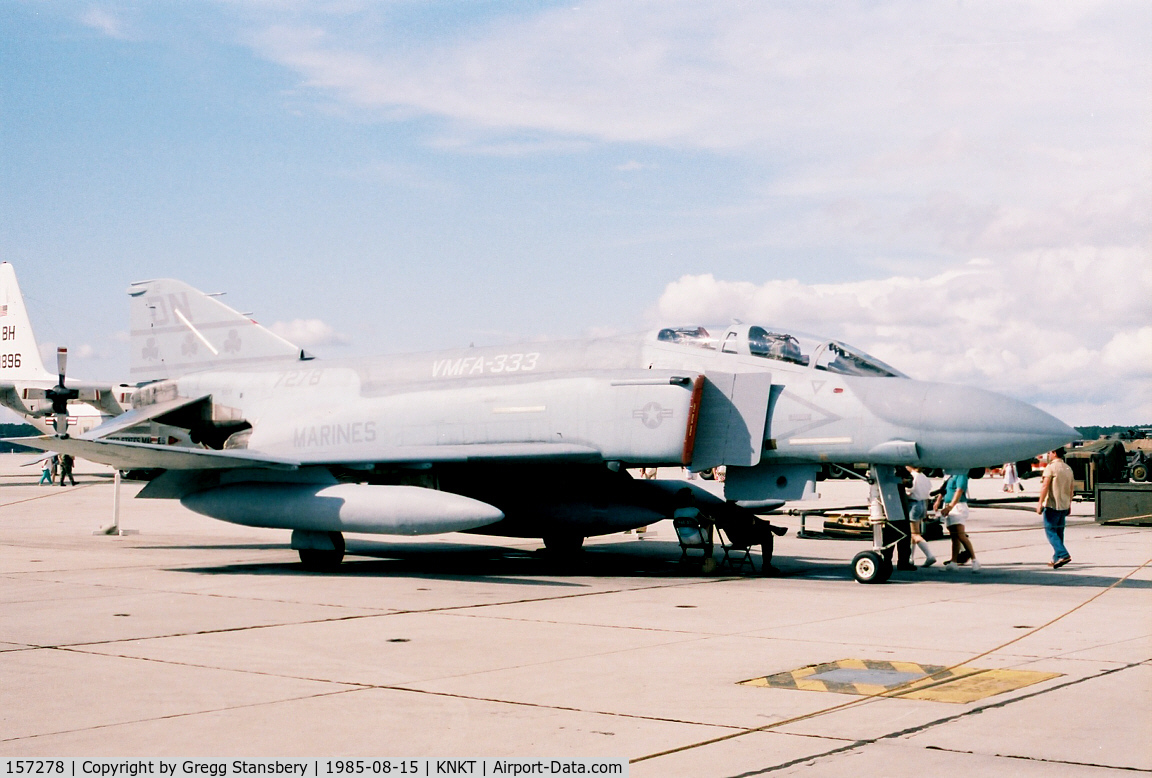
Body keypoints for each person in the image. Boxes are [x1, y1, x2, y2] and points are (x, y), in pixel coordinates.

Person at [714, 503, 787, 575]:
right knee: (767, 536)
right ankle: (766, 565)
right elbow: (749, 523)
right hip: (741, 538)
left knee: (765, 532)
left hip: (735, 537)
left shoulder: (723, 510)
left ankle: (772, 528)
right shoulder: (736, 511)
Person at [935, 470, 980, 572]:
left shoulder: (961, 474)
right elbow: (945, 490)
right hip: (949, 505)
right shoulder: (951, 475)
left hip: (958, 506)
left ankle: (974, 560)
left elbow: (959, 490)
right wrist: (939, 501)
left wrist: (950, 506)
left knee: (960, 535)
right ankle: (954, 562)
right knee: (954, 536)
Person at [1037, 447, 1074, 568]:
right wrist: (1069, 504)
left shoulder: (1051, 467)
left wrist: (1040, 503)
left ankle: (1063, 554)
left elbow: (1045, 486)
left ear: (1054, 453)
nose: (1048, 454)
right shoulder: (1068, 468)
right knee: (1059, 533)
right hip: (1064, 505)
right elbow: (1071, 489)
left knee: (1051, 532)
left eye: (1049, 452)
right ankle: (1056, 558)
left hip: (1052, 505)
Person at [907, 466, 937, 567]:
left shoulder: (913, 477)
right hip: (923, 504)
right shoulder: (924, 477)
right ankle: (910, 558)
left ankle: (929, 555)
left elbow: (910, 491)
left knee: (914, 534)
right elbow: (927, 493)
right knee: (915, 533)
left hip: (914, 504)